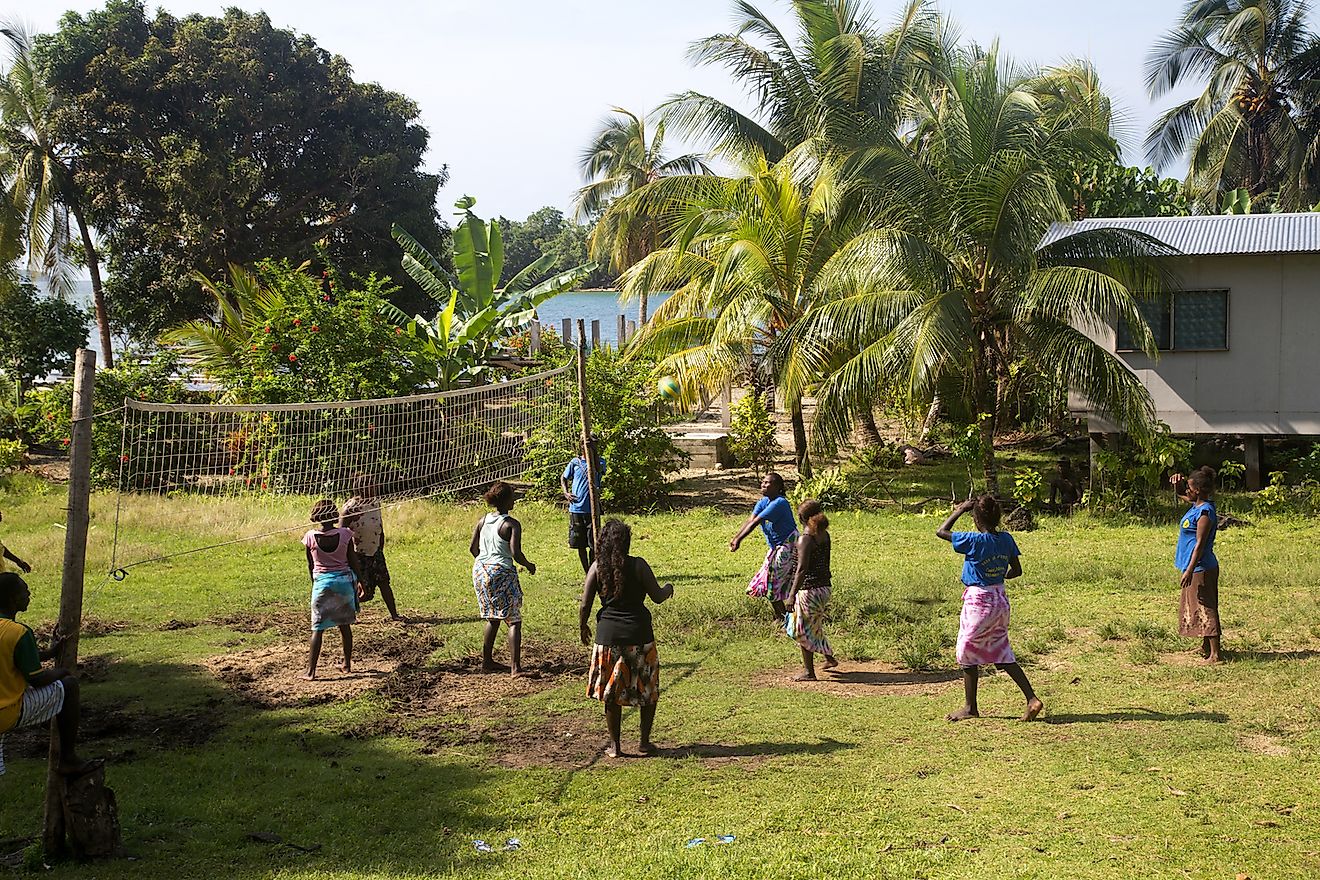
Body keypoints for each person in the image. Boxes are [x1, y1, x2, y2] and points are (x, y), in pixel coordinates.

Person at [936, 496, 1043, 723]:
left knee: (966, 652)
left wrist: (959, 510)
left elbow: (941, 531)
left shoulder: (974, 540)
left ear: (975, 519)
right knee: (1001, 651)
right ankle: (1031, 698)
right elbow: (1016, 570)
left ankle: (970, 707)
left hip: (978, 600)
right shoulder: (1005, 539)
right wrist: (996, 574)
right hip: (1000, 599)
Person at [579, 519, 673, 758]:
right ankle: (644, 741)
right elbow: (658, 596)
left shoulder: (597, 568)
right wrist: (669, 588)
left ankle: (614, 745)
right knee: (647, 688)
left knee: (611, 693)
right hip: (639, 635)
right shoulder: (638, 565)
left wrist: (583, 627)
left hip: (608, 636)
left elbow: (585, 604)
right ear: (626, 543)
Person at [0, 572, 94, 776]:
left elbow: (11, 656)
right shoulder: (19, 632)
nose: (29, 593)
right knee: (68, 686)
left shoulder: (9, 633)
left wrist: (50, 653)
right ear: (12, 599)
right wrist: (63, 671)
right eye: (24, 590)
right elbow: (36, 678)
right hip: (5, 712)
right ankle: (68, 758)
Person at [470, 481, 536, 675]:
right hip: (501, 572)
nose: (515, 498)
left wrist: (486, 563)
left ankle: (487, 662)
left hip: (480, 571)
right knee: (513, 619)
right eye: (513, 496)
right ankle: (516, 668)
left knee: (493, 617)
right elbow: (516, 553)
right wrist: (529, 565)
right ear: (506, 500)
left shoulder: (482, 521)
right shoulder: (511, 524)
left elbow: (473, 549)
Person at [302, 499, 363, 681]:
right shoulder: (345, 534)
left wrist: (315, 585)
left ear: (316, 516)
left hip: (322, 583)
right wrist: (361, 581)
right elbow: (353, 560)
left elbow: (310, 565)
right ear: (334, 515)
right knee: (344, 626)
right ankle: (346, 664)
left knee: (317, 629)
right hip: (344, 583)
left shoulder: (310, 537)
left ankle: (311, 672)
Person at [1169, 467, 1221, 663]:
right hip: (1193, 566)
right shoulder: (1196, 507)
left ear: (1198, 490)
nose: (1187, 491)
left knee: (1206, 606)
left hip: (1201, 567)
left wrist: (1190, 570)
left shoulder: (1205, 512)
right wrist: (1178, 485)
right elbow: (1182, 494)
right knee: (1197, 605)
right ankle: (1205, 646)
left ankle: (1216, 654)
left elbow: (1199, 545)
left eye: (1190, 487)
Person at [730, 472, 799, 620]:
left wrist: (739, 540)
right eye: (763, 482)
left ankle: (784, 619)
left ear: (778, 487)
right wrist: (736, 537)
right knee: (770, 583)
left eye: (768, 483)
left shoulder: (780, 503)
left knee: (773, 584)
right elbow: (750, 520)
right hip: (776, 548)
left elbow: (755, 522)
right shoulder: (763, 502)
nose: (763, 484)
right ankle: (786, 618)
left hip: (788, 546)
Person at [786, 499, 839, 681]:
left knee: (802, 630)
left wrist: (792, 595)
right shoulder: (824, 535)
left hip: (810, 589)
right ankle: (829, 659)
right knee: (813, 625)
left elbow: (801, 570)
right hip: (824, 588)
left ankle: (809, 672)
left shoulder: (805, 539)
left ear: (801, 517)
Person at [340, 475, 401, 621]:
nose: (375, 488)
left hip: (375, 551)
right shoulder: (350, 507)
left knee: (384, 582)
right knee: (364, 591)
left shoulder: (375, 503)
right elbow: (341, 532)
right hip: (358, 554)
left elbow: (379, 525)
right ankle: (345, 613)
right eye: (371, 485)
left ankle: (394, 615)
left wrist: (381, 544)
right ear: (362, 488)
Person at [562, 439, 606, 573]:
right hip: (576, 509)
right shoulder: (575, 462)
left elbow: (599, 470)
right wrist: (566, 493)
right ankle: (587, 572)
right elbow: (564, 477)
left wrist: (593, 452)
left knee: (594, 543)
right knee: (580, 544)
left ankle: (593, 571)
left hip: (592, 509)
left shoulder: (600, 461)